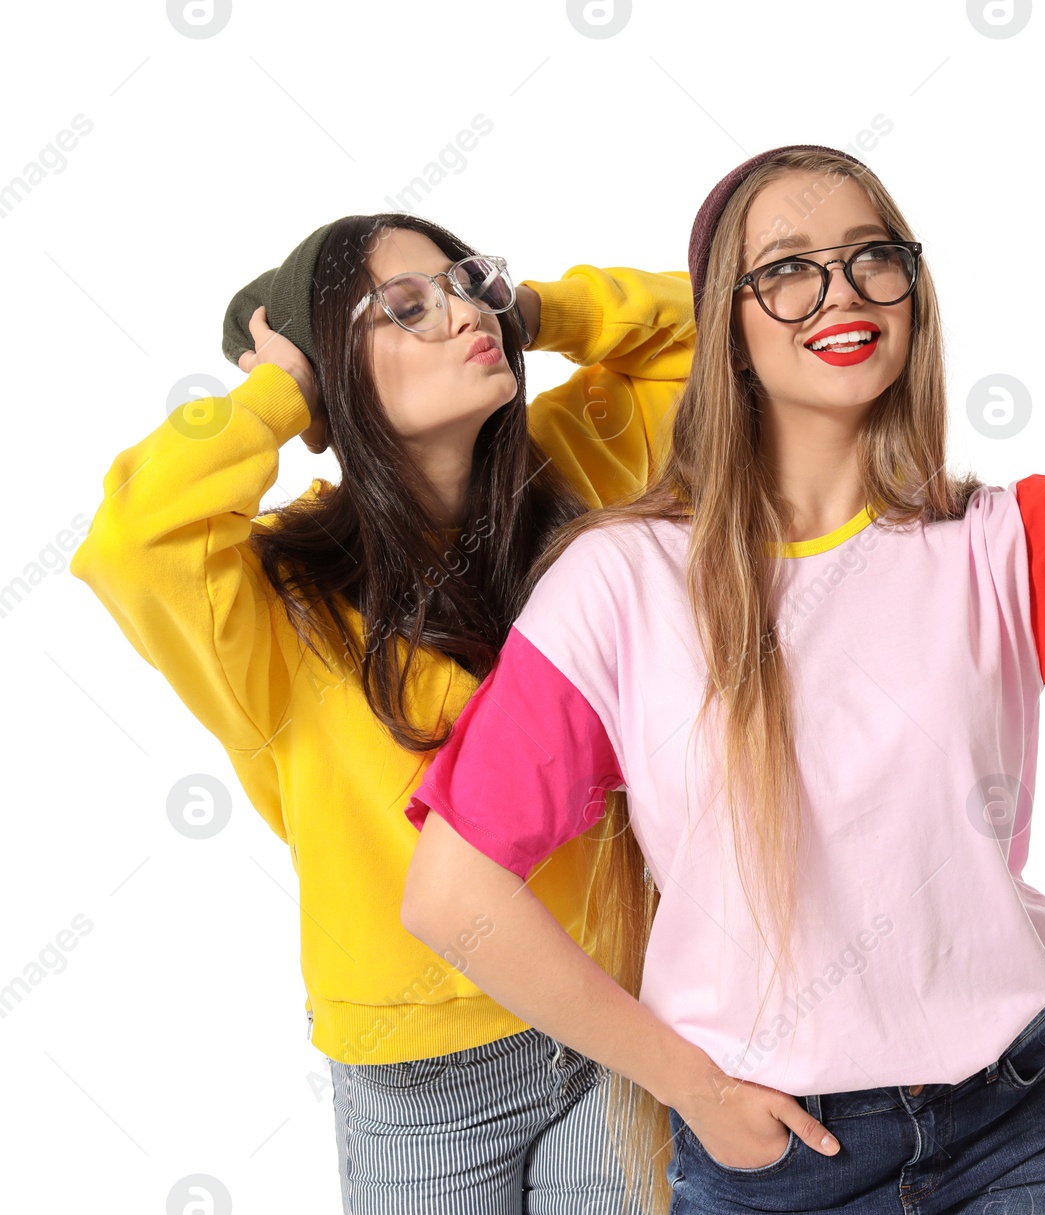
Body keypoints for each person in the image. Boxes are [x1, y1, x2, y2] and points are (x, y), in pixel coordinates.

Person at [400, 15, 1045, 1209]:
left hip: (1019, 1108)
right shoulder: (621, 584)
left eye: (873, 256)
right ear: (729, 328)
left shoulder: (996, 549)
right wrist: (690, 1089)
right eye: (787, 268)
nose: (841, 291)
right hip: (779, 1152)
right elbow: (451, 895)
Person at [70, 211, 693, 1214]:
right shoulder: (276, 591)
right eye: (406, 307)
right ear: (330, 373)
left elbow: (708, 337)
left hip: (612, 1018)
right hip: (422, 1076)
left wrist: (537, 310)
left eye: (469, 284)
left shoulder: (573, 466)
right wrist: (283, 394)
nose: (461, 316)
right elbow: (132, 539)